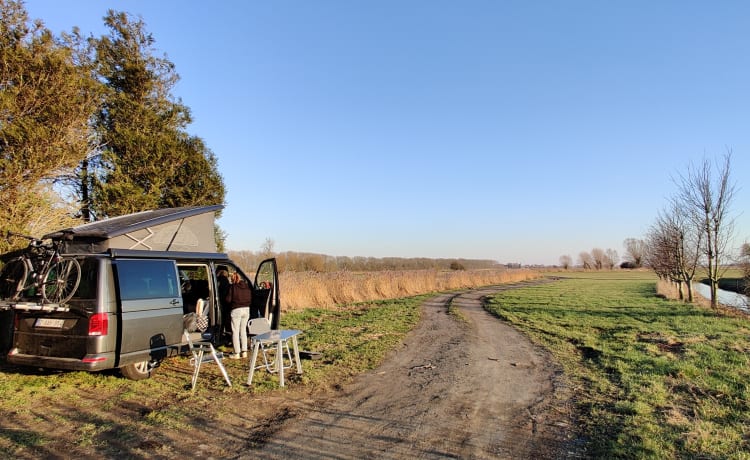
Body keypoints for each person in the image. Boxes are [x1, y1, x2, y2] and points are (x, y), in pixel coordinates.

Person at [224, 272, 252, 359]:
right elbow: (250, 298)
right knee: (243, 331)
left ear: (232, 279)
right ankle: (244, 352)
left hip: (236, 310)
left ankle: (236, 353)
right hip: (246, 310)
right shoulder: (247, 287)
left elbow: (228, 300)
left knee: (235, 332)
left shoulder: (233, 287)